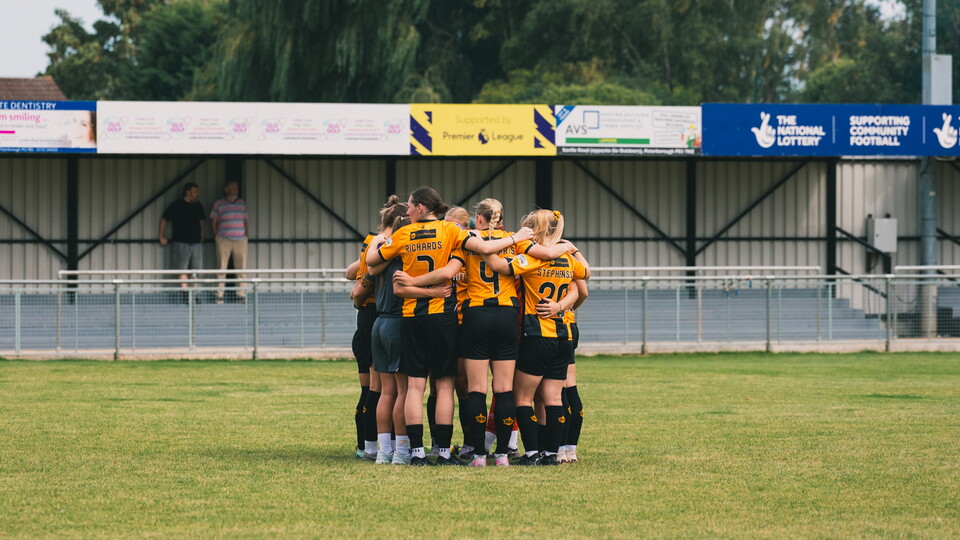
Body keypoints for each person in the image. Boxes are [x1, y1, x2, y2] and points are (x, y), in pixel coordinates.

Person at [394, 199, 575, 467]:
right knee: (504, 390)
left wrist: (415, 281)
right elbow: (545, 255)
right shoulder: (516, 241)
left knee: (476, 390)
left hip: (475, 315)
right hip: (506, 316)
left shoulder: (468, 240)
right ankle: (502, 454)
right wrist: (568, 247)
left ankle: (477, 453)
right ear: (500, 219)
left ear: (478, 218)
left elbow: (450, 270)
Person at [365, 187, 532, 466]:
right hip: (445, 316)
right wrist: (517, 237)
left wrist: (377, 241)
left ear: (421, 207)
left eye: (410, 205)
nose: (407, 210)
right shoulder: (451, 231)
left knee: (415, 387)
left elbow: (372, 263)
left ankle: (416, 452)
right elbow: (480, 251)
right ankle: (446, 452)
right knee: (445, 385)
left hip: (411, 316)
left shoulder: (404, 234)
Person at [480, 209, 590, 465]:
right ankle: (552, 454)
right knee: (554, 399)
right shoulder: (567, 258)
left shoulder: (531, 259)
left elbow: (499, 266)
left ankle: (531, 453)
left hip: (537, 334)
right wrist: (573, 249)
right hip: (563, 336)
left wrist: (482, 248)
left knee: (521, 399)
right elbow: (585, 274)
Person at [159, 183, 205, 294]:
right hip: (180, 242)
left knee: (196, 270)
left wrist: (202, 235)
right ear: (188, 192)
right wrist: (161, 236)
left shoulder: (198, 205)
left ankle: (194, 294)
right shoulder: (176, 205)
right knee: (181, 269)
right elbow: (164, 219)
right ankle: (185, 293)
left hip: (196, 243)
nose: (197, 194)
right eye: (195, 192)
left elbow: (202, 222)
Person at [209, 180, 249, 304]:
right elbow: (213, 221)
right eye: (232, 187)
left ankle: (241, 295)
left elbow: (245, 221)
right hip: (223, 240)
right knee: (221, 268)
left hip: (240, 240)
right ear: (226, 189)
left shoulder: (242, 203)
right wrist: (216, 237)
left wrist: (245, 235)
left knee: (241, 269)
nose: (235, 189)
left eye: (236, 187)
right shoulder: (218, 204)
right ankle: (219, 296)